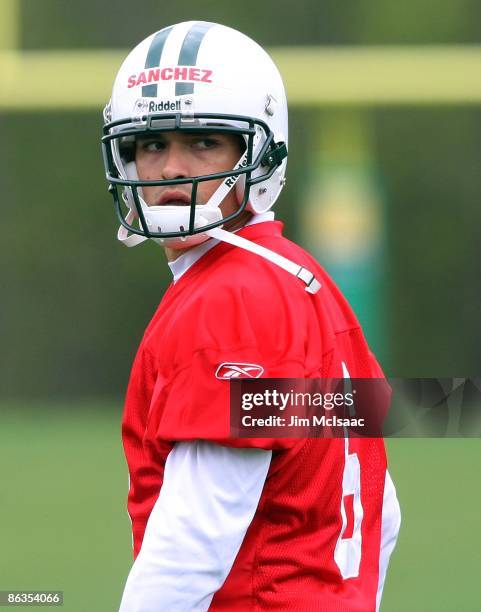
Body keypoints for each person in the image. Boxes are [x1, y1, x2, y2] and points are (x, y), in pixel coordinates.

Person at [102, 21, 401, 611]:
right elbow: (380, 509)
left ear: (260, 153)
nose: (169, 169)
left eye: (204, 142)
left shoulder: (229, 298)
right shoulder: (299, 278)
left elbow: (194, 537)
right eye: (153, 144)